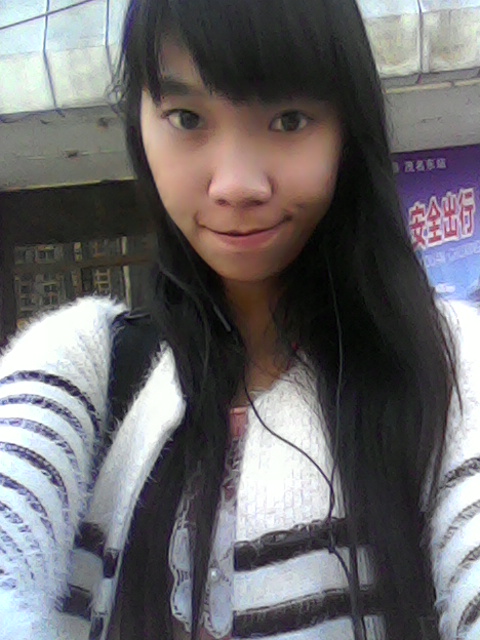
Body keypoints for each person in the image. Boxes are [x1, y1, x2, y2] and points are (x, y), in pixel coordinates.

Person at [1, 0, 480, 639]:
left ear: (348, 130)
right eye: (187, 118)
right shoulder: (88, 365)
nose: (235, 185)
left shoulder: (450, 365)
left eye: (288, 119)